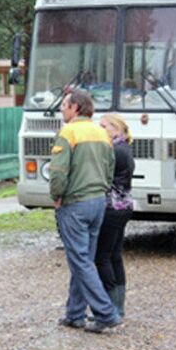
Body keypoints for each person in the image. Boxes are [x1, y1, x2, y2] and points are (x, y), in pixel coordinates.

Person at [49, 88, 121, 334]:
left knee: (80, 261)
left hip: (75, 203)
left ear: (75, 108)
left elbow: (58, 171)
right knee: (84, 260)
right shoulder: (102, 133)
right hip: (98, 202)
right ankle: (75, 314)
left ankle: (106, 313)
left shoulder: (68, 132)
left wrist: (56, 196)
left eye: (65, 105)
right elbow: (110, 168)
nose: (62, 109)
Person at [94, 114, 135, 318]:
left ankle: (109, 307)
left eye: (104, 126)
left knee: (102, 257)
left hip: (112, 208)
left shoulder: (114, 150)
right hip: (124, 206)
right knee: (115, 256)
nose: (100, 129)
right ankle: (118, 305)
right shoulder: (124, 148)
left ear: (116, 129)